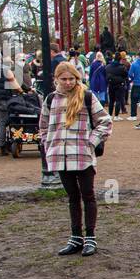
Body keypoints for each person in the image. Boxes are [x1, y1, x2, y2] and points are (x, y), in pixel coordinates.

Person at [40, 60, 112, 256]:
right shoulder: (50, 100)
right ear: (56, 79)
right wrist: (48, 145)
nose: (68, 82)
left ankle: (90, 237)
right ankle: (75, 236)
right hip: (60, 155)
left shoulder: (87, 97)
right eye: (64, 79)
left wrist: (91, 142)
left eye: (71, 79)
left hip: (82, 155)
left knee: (88, 195)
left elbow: (105, 122)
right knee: (72, 197)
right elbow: (43, 126)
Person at [105, 52, 130, 118]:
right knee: (118, 100)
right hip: (119, 85)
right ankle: (116, 116)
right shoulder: (122, 67)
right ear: (120, 59)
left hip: (111, 85)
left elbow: (106, 74)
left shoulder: (108, 67)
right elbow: (126, 75)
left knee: (111, 101)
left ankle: (110, 115)